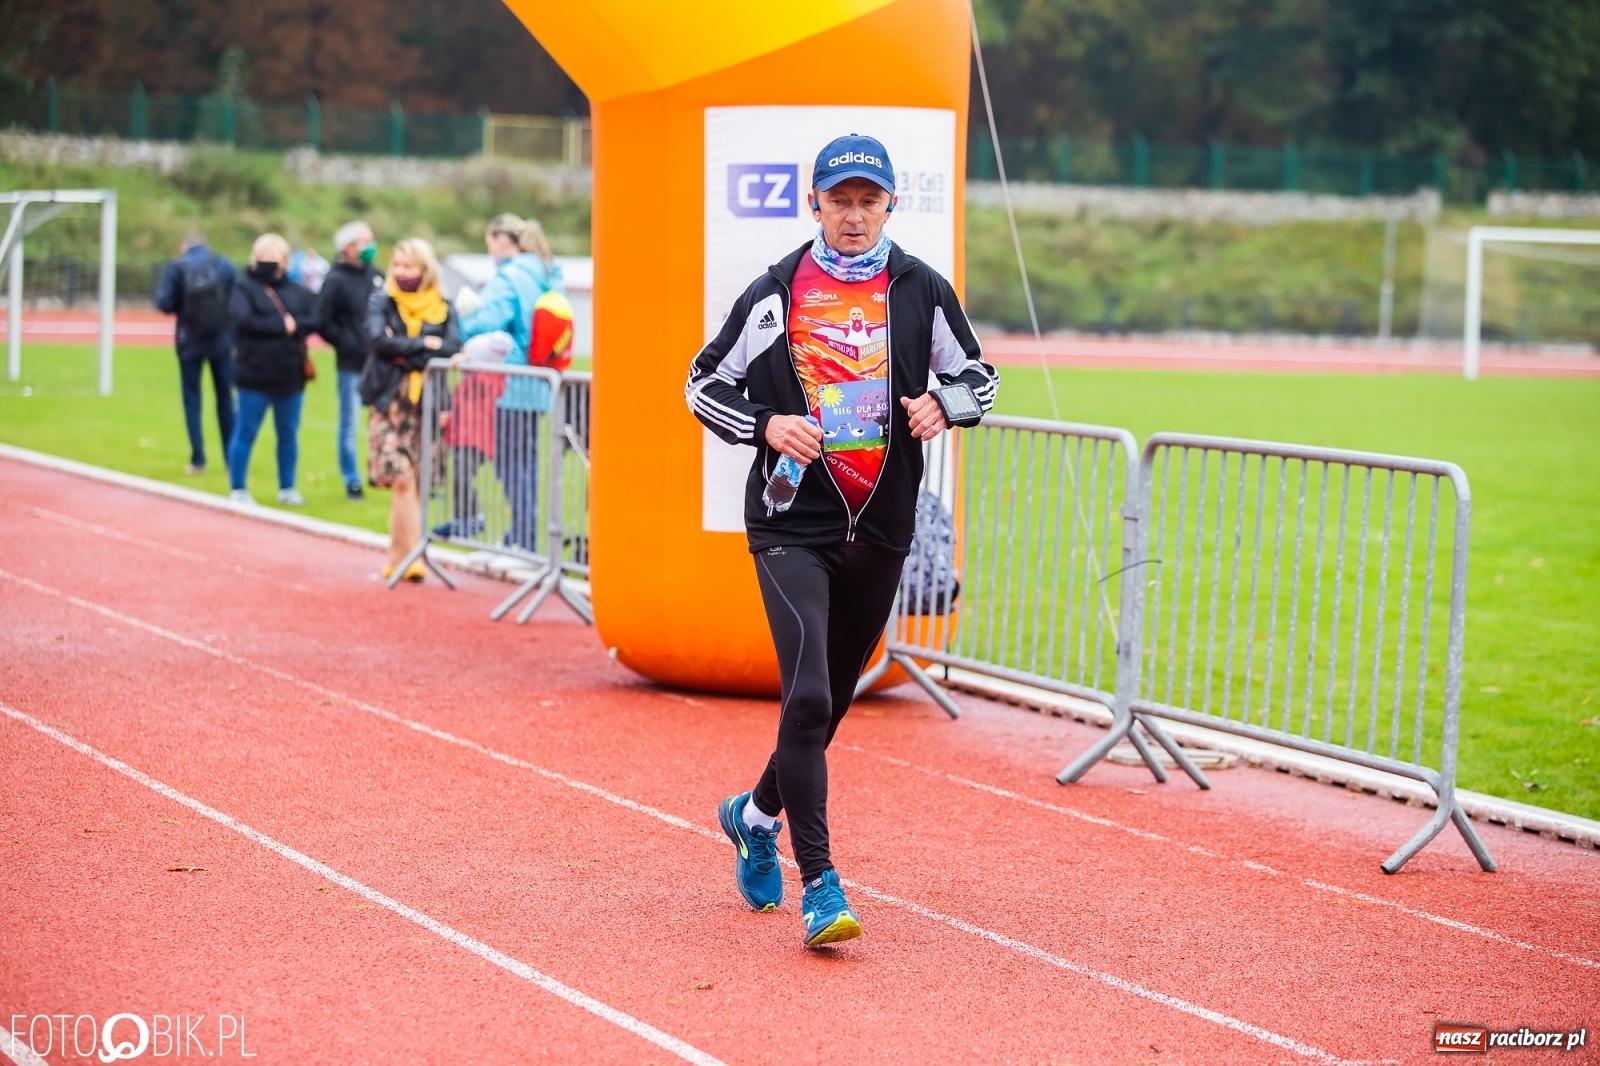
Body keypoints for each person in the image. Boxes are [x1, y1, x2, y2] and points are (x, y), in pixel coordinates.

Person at [685, 133, 999, 947]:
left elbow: (978, 375)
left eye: (868, 200)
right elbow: (703, 383)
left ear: (890, 204)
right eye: (839, 200)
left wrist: (947, 406)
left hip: (882, 525)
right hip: (794, 523)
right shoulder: (777, 291)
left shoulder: (921, 289)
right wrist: (767, 424)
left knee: (826, 700)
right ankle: (820, 883)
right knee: (812, 693)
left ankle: (753, 817)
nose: (853, 216)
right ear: (814, 205)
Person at [456, 213, 566, 550]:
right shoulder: (549, 273)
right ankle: (525, 536)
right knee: (528, 462)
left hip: (511, 383)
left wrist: (461, 317)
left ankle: (522, 539)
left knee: (510, 463)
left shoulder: (510, 276)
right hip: (540, 382)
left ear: (500, 239)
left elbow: (488, 320)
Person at [366, 237, 460, 581]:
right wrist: (425, 344)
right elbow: (378, 341)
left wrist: (405, 348)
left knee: (414, 485)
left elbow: (451, 348)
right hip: (390, 401)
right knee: (401, 479)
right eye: (398, 266)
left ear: (425, 269)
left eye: (409, 266)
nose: (402, 272)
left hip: (427, 405)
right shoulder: (382, 301)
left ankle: (395, 556)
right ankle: (416, 556)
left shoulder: (444, 307)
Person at [227, 233, 321, 507]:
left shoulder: (297, 291)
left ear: (285, 260)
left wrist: (293, 326)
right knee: (245, 431)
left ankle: (287, 486)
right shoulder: (244, 288)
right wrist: (282, 326)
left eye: (273, 255)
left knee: (288, 433)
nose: (267, 260)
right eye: (262, 255)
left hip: (290, 375)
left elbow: (312, 319)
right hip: (253, 374)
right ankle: (238, 487)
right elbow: (243, 320)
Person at [154, 231, 237, 476]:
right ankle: (230, 458)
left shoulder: (177, 268)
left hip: (189, 340)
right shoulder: (224, 264)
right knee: (225, 400)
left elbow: (164, 303)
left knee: (192, 400)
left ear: (184, 246)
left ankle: (198, 458)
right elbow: (236, 299)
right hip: (222, 340)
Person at [319, 220, 384, 500]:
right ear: (348, 248)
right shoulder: (335, 280)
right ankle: (352, 480)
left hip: (380, 362)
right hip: (351, 364)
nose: (371, 246)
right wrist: (346, 343)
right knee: (350, 423)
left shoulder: (377, 276)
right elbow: (322, 320)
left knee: (385, 420)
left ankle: (384, 472)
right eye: (364, 241)